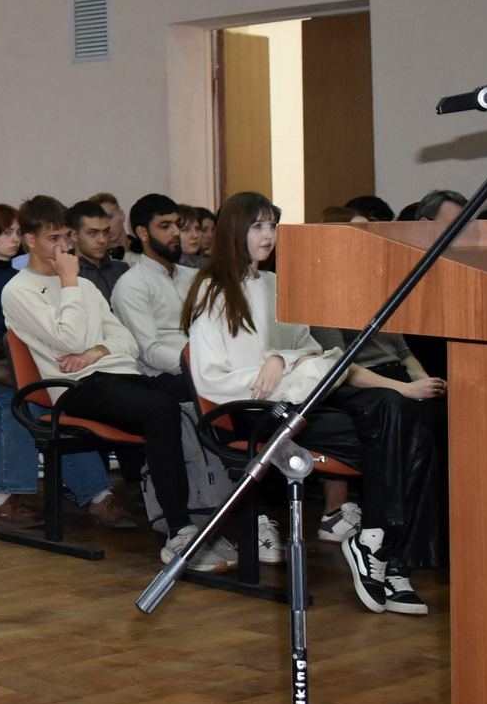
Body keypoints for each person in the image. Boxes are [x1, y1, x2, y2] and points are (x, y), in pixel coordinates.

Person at [185, 193, 444, 614]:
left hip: (301, 396)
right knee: (410, 437)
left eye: (272, 225)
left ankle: (380, 547)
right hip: (256, 410)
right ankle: (386, 554)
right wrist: (281, 362)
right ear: (235, 230)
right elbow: (209, 377)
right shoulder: (213, 291)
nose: (268, 235)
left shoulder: (276, 283)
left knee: (398, 412)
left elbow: (313, 351)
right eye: (257, 226)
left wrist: (280, 358)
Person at [1, 196, 229, 571]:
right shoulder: (19, 290)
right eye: (53, 238)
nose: (63, 247)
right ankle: (179, 529)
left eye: (66, 237)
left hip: (122, 374)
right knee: (160, 410)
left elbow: (127, 342)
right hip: (76, 387)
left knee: (201, 394)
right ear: (30, 241)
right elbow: (70, 340)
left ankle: (219, 515)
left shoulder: (85, 288)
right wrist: (69, 283)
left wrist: (97, 350)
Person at [0, 205, 127, 528]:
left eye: (66, 237)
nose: (13, 239)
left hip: (47, 365)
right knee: (23, 404)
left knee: (54, 402)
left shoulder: (38, 278)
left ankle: (98, 495)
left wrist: (95, 348)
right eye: (7, 232)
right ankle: (1, 498)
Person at [108, 195, 196, 380]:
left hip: (207, 369)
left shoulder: (195, 277)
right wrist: (198, 367)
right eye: (165, 226)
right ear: (143, 233)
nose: (176, 232)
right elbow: (149, 351)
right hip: (167, 377)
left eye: (177, 224)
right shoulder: (132, 285)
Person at [66, 200, 128, 304]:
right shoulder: (67, 275)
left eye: (105, 232)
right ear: (74, 235)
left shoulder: (122, 270)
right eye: (92, 233)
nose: (102, 240)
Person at [89, 192, 134, 265]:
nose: (107, 226)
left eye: (109, 217)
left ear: (121, 215)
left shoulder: (146, 250)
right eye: (100, 221)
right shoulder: (95, 261)